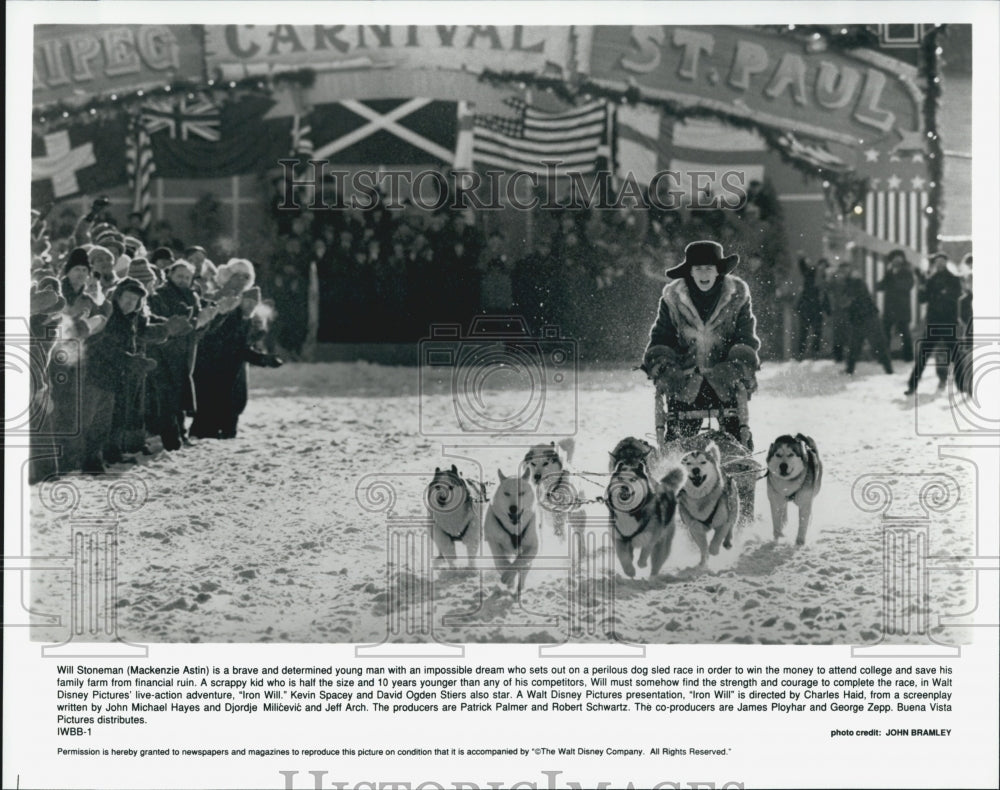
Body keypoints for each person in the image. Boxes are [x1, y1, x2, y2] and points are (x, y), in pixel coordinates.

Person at [642, 240, 761, 449]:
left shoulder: (737, 296)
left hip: (725, 378)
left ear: (718, 272)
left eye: (709, 268)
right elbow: (662, 335)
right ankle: (675, 470)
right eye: (698, 269)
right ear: (690, 272)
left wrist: (736, 366)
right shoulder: (673, 298)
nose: (704, 274)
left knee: (735, 438)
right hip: (685, 378)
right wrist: (664, 365)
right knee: (679, 440)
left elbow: (745, 336)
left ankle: (738, 467)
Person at [906, 252, 964, 395]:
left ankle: (962, 385)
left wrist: (936, 292)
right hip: (934, 323)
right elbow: (922, 300)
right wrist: (922, 286)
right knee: (924, 354)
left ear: (946, 262)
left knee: (956, 355)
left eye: (942, 261)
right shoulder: (930, 280)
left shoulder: (954, 279)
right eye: (937, 261)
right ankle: (912, 385)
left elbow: (954, 296)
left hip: (948, 323)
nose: (940, 264)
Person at [840, 262, 893, 376]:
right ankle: (850, 369)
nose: (844, 272)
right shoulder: (848, 283)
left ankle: (889, 370)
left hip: (869, 317)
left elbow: (853, 296)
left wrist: (847, 302)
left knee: (878, 344)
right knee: (854, 346)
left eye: (846, 270)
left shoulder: (857, 282)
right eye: (843, 270)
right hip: (858, 319)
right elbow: (846, 301)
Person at [876, 249, 915, 363]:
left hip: (902, 308)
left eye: (899, 257)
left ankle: (908, 357)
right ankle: (885, 357)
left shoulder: (907, 272)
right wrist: (880, 283)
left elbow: (907, 286)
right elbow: (881, 286)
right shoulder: (889, 272)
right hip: (889, 308)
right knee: (886, 333)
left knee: (905, 333)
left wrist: (891, 280)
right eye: (894, 257)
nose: (897, 260)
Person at [795, 256, 828, 360]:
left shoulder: (824, 278)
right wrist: (801, 259)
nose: (823, 268)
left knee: (817, 331)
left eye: (825, 266)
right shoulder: (811, 273)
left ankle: (814, 353)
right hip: (807, 307)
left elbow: (825, 296)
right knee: (804, 331)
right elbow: (803, 269)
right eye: (822, 265)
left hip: (816, 308)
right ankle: (801, 353)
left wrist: (828, 310)